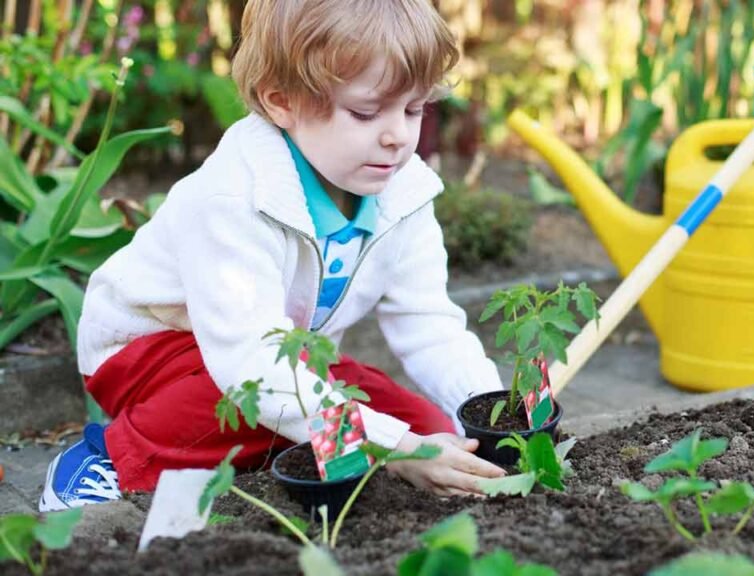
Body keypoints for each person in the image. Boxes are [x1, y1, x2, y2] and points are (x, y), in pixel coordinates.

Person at [39, 0, 508, 512]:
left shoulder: (404, 193)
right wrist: (391, 447)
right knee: (252, 407)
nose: (397, 136)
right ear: (282, 102)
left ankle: (279, 446)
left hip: (280, 354)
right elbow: (249, 368)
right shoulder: (235, 196)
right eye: (366, 112)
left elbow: (429, 323)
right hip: (152, 350)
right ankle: (107, 457)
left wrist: (487, 413)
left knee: (434, 433)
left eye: (414, 109)